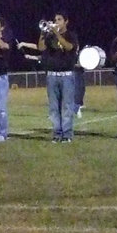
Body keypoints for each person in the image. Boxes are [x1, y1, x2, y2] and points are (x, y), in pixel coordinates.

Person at [22, 12, 78, 142]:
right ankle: (57, 134)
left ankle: (67, 135)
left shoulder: (71, 35)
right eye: (55, 20)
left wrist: (57, 34)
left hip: (67, 76)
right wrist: (43, 32)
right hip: (52, 75)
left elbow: (69, 47)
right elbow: (41, 48)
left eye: (59, 19)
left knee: (66, 106)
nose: (56, 22)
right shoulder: (49, 35)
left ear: (66, 21)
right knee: (54, 108)